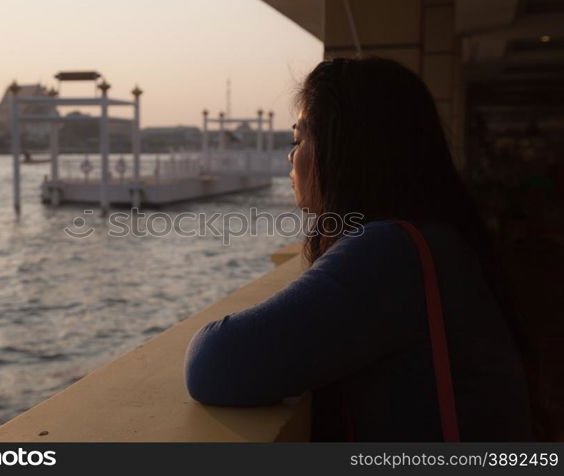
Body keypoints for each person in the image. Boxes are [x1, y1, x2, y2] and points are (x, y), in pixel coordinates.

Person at [183, 57, 534, 441]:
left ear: (344, 150)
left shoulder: (389, 253)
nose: (290, 156)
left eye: (298, 139)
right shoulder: (436, 235)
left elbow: (214, 364)